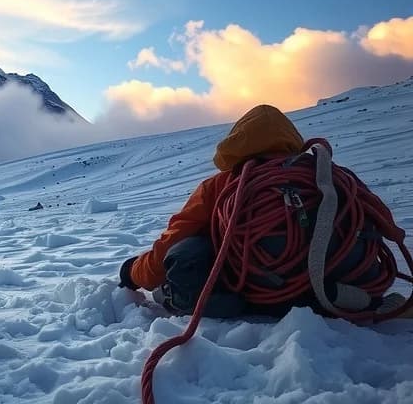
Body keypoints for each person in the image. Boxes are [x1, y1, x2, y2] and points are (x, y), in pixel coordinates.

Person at [117, 104, 386, 318]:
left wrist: (132, 273)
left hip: (260, 294)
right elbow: (385, 224)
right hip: (338, 287)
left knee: (184, 253)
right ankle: (334, 294)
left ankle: (232, 303)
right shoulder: (329, 176)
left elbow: (172, 241)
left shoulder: (221, 185)